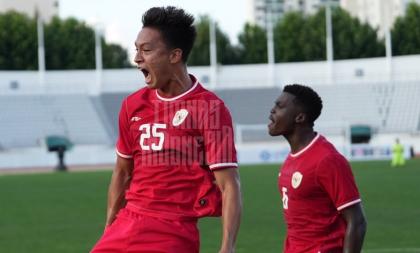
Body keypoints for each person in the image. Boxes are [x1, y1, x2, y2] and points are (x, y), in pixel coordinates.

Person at [91, 6, 242, 253]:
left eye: (147, 50)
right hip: (127, 222)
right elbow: (121, 173)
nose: (137, 58)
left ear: (174, 55)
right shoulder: (132, 105)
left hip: (174, 229)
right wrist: (110, 229)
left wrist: (227, 247)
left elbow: (229, 185)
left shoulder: (210, 109)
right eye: (136, 50)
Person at [268, 84, 367, 253]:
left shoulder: (327, 160)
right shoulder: (292, 158)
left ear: (299, 117)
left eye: (280, 106)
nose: (272, 110)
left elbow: (357, 221)